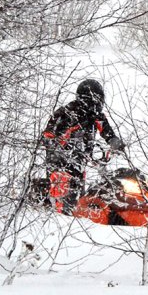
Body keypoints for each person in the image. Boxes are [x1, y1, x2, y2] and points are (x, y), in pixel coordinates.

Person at [41, 79, 125, 214]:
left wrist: (116, 144)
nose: (99, 103)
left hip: (80, 164)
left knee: (78, 205)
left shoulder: (96, 116)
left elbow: (107, 133)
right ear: (91, 97)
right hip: (60, 165)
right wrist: (59, 147)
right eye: (97, 98)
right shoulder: (65, 113)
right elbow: (47, 136)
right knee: (61, 206)